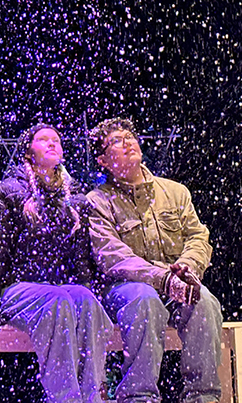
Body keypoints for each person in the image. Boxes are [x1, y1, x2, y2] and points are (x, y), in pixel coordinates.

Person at [86, 117, 223, 403]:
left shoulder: (174, 192)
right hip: (124, 289)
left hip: (174, 281)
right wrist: (162, 277)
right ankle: (138, 396)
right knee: (144, 299)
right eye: (116, 141)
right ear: (102, 160)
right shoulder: (98, 201)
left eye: (129, 136)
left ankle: (203, 397)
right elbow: (112, 255)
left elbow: (198, 237)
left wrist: (187, 268)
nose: (127, 143)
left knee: (205, 302)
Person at [0, 123, 115, 403]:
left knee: (86, 301)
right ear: (28, 152)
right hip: (15, 290)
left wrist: (91, 288)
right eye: (43, 140)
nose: (52, 143)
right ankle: (65, 398)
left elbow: (81, 256)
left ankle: (92, 395)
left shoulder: (73, 197)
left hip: (57, 288)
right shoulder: (10, 192)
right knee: (58, 301)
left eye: (56, 140)